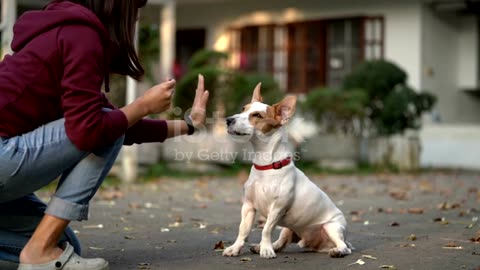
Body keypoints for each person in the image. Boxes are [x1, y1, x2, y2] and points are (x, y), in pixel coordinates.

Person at [0, 0, 210, 269]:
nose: (136, 18)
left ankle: (40, 250)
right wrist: (143, 105)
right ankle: (38, 252)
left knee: (63, 247)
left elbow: (122, 126)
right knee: (102, 125)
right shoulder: (81, 34)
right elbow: (92, 130)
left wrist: (189, 125)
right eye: (136, 7)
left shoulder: (66, 30)